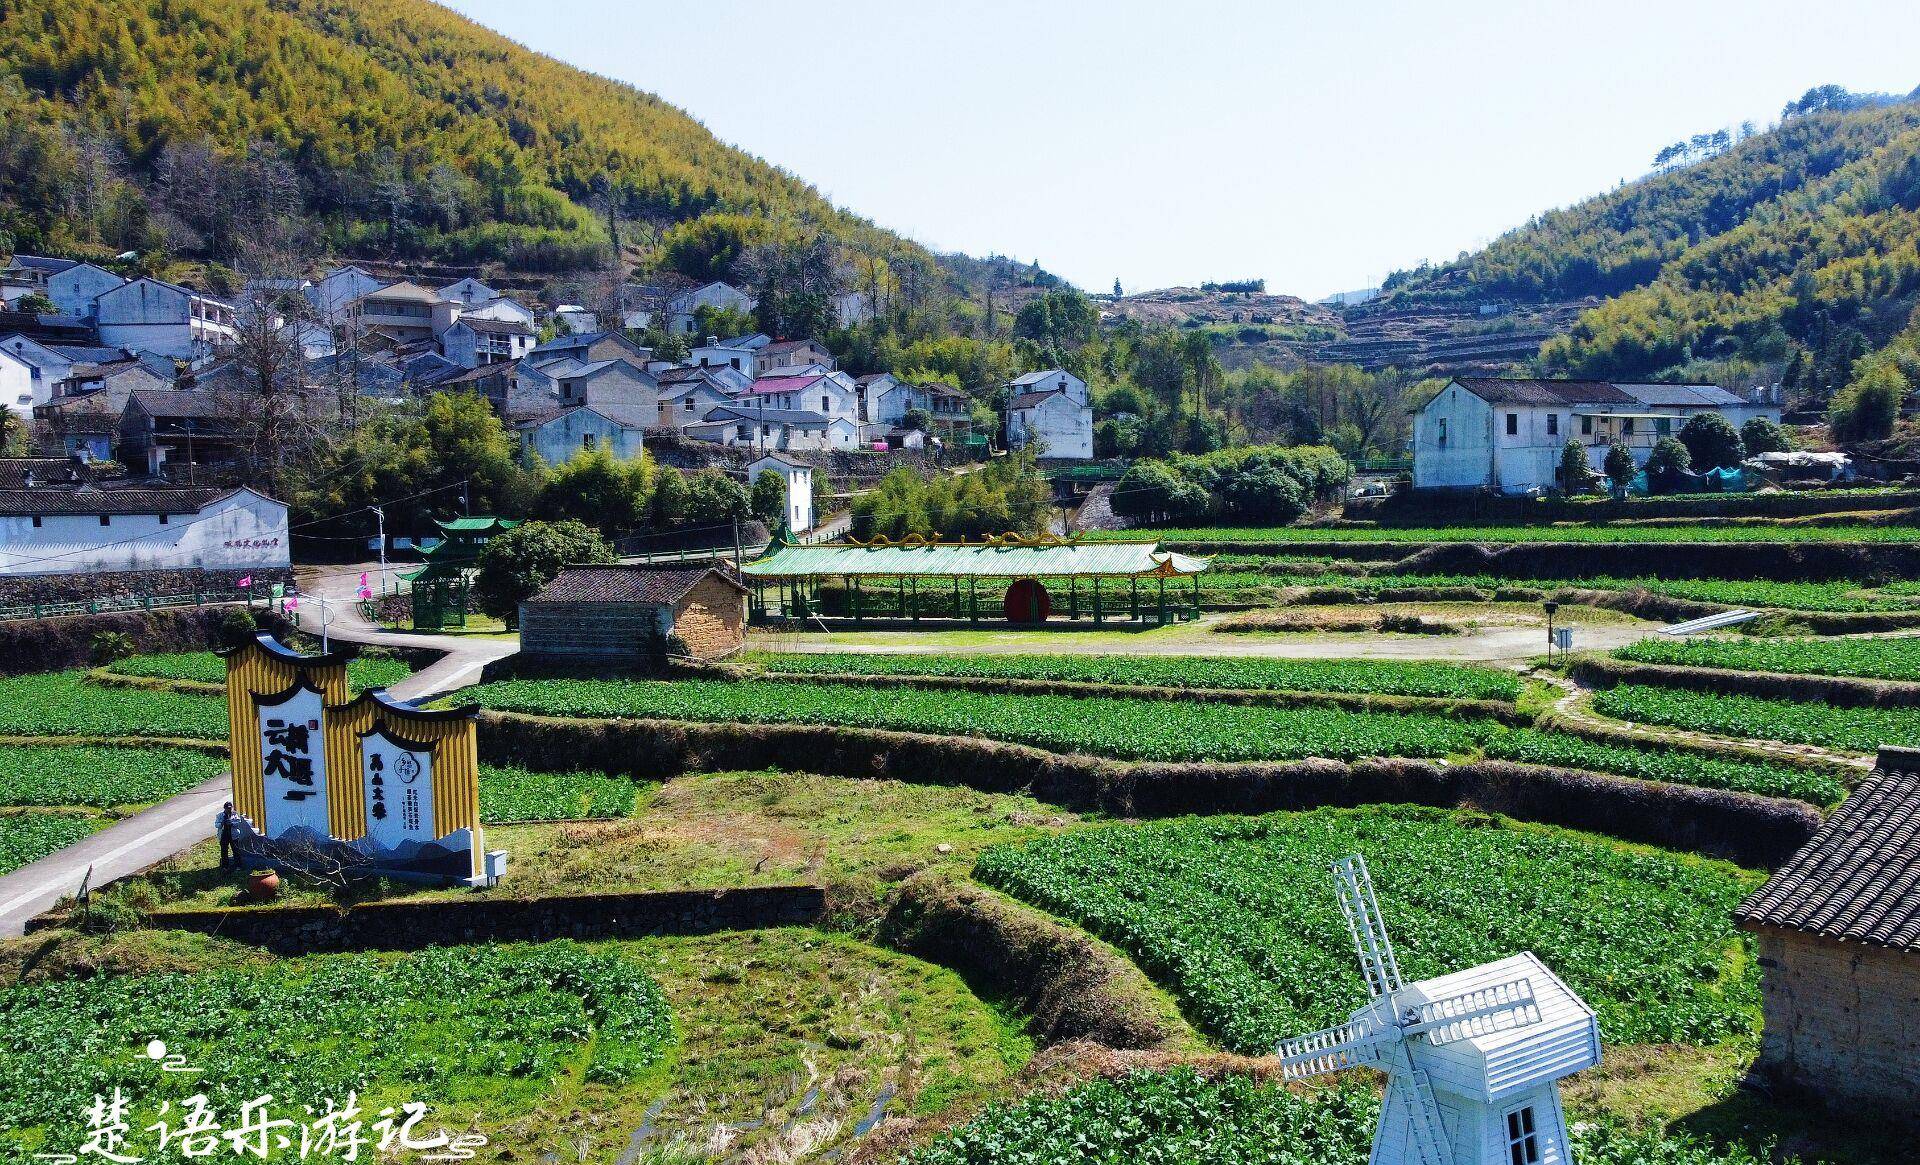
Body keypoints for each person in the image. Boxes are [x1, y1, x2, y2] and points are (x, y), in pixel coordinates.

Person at [218, 801, 237, 869]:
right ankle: (225, 866)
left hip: (233, 835)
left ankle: (237, 865)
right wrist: (222, 823)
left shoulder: (235, 814)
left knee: (235, 850)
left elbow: (238, 823)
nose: (229, 810)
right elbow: (216, 825)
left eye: (230, 808)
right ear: (224, 808)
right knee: (224, 850)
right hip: (224, 835)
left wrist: (232, 824)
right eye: (227, 808)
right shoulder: (220, 815)